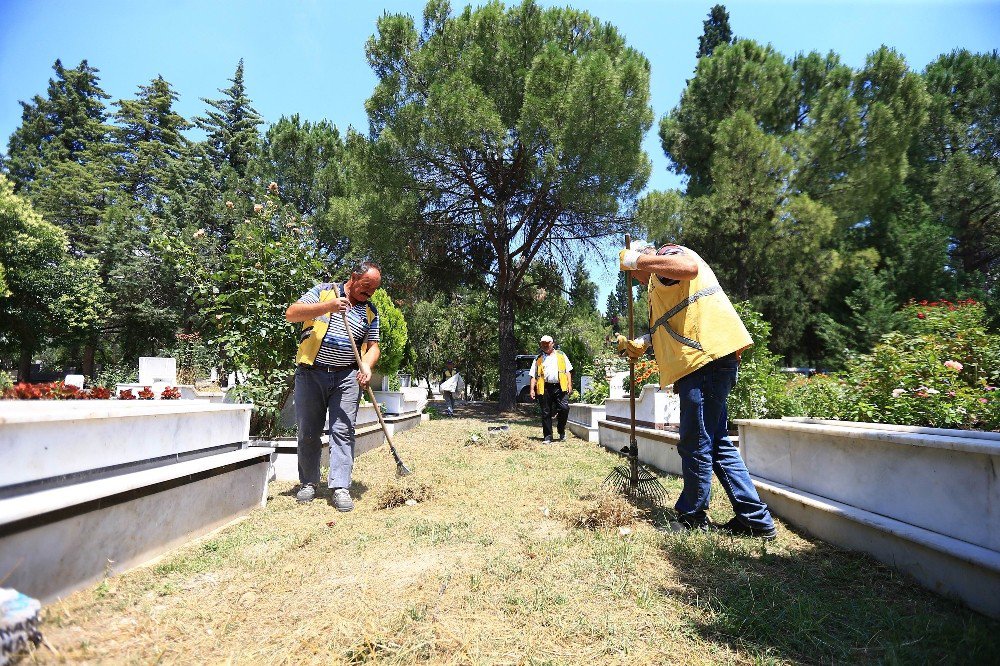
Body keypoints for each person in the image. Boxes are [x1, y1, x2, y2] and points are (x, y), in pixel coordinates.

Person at [617, 242, 778, 539]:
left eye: (632, 273)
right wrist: (642, 343)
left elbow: (688, 269)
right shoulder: (658, 281)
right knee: (716, 443)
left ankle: (692, 516)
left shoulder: (666, 257)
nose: (634, 278)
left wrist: (639, 259)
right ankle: (755, 519)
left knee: (696, 443)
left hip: (705, 363)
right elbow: (672, 325)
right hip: (709, 362)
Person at [285, 261, 382, 512]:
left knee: (343, 430)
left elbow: (373, 347)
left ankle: (340, 487)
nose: (369, 293)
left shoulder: (370, 311)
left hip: (346, 378)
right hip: (311, 373)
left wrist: (367, 366)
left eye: (374, 289)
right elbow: (291, 314)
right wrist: (328, 307)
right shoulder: (323, 291)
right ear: (353, 277)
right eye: (366, 286)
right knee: (308, 430)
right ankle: (308, 483)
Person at [529, 335, 573, 444]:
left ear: (552, 344)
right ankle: (548, 436)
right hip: (544, 388)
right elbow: (533, 375)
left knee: (564, 408)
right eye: (543, 343)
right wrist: (532, 390)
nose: (545, 345)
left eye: (547, 343)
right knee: (545, 412)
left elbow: (568, 371)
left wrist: (569, 385)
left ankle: (561, 429)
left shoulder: (561, 355)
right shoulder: (538, 358)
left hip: (560, 386)